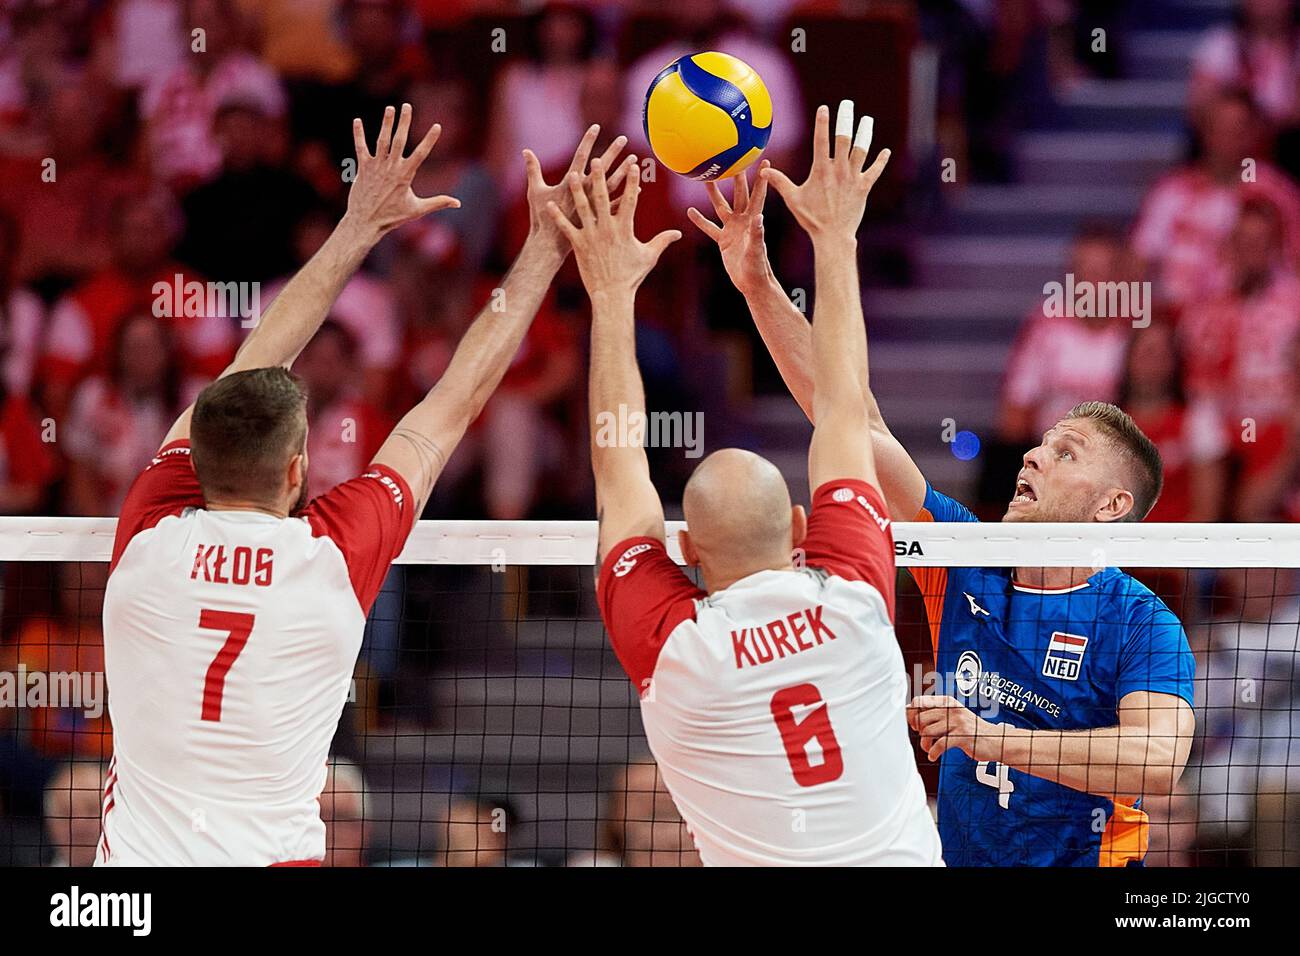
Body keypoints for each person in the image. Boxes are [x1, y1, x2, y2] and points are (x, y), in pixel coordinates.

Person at [96, 106, 632, 866]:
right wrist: (545, 247)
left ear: (193, 452)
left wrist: (353, 229)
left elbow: (252, 362)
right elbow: (452, 405)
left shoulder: (146, 529)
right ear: (297, 470)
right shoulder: (330, 553)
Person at [692, 111, 1198, 867]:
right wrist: (760, 287)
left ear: (1112, 504)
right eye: (1040, 442)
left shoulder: (1137, 621)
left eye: (1065, 453)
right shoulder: (962, 550)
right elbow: (849, 420)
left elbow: (1156, 763)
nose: (1031, 455)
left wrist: (982, 735)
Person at [569, 101, 942, 865]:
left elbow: (618, 463)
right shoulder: (856, 598)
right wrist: (835, 240)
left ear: (685, 550)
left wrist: (609, 295)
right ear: (803, 530)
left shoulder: (674, 645)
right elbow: (842, 405)